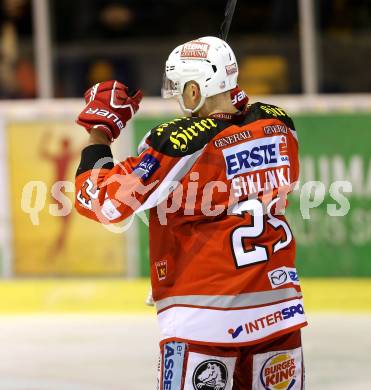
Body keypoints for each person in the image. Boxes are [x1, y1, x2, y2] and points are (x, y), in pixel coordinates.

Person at [74, 36, 306, 390]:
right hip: (278, 313)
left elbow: (104, 204)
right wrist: (223, 92)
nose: (178, 98)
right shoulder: (280, 127)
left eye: (181, 89)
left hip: (202, 319)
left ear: (195, 91)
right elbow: (239, 115)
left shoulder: (178, 145)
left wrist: (100, 132)